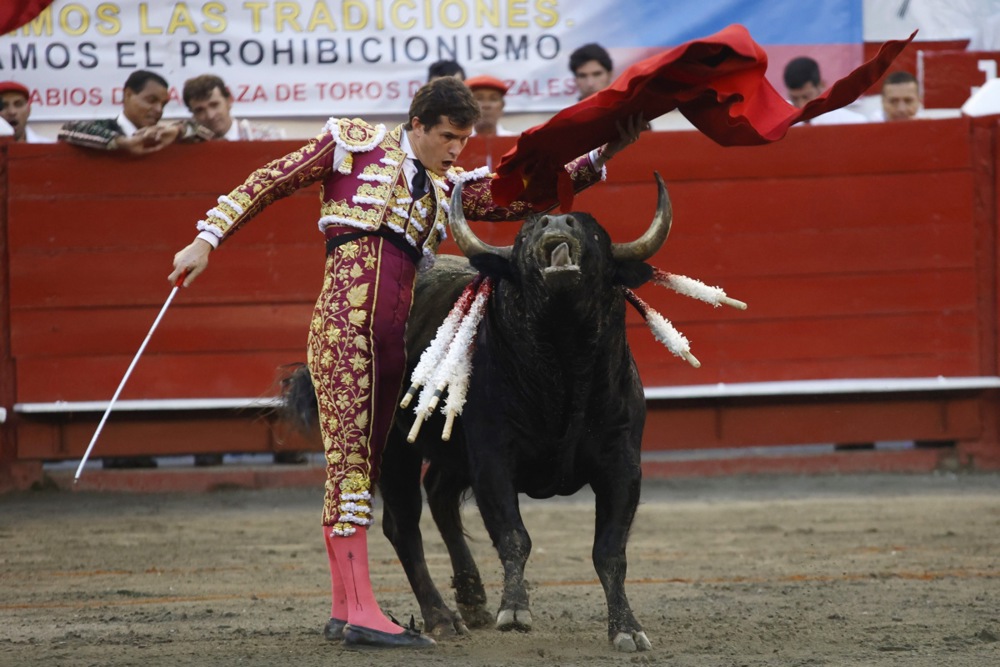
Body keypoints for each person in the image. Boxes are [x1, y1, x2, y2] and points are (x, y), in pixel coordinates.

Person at [168, 76, 642, 649]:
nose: (455, 149)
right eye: (447, 136)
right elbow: (271, 180)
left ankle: (348, 608)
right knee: (350, 473)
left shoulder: (447, 190)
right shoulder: (354, 143)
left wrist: (601, 156)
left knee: (364, 467)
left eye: (464, 140)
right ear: (416, 123)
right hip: (347, 334)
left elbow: (525, 201)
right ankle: (361, 610)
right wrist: (207, 238)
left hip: (395, 344)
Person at [58, 70, 212, 154]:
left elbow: (208, 133)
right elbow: (68, 130)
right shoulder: (105, 128)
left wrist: (178, 130)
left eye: (163, 104)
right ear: (128, 95)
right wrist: (122, 142)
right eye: (151, 100)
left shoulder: (162, 135)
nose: (159, 110)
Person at [182, 74, 285, 141]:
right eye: (200, 110)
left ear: (229, 100)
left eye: (214, 105)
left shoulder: (266, 137)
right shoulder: (189, 144)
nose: (210, 115)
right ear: (192, 113)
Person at [782, 57, 867, 124]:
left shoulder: (851, 122)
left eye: (806, 97)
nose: (801, 105)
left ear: (821, 86)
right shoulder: (781, 124)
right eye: (794, 98)